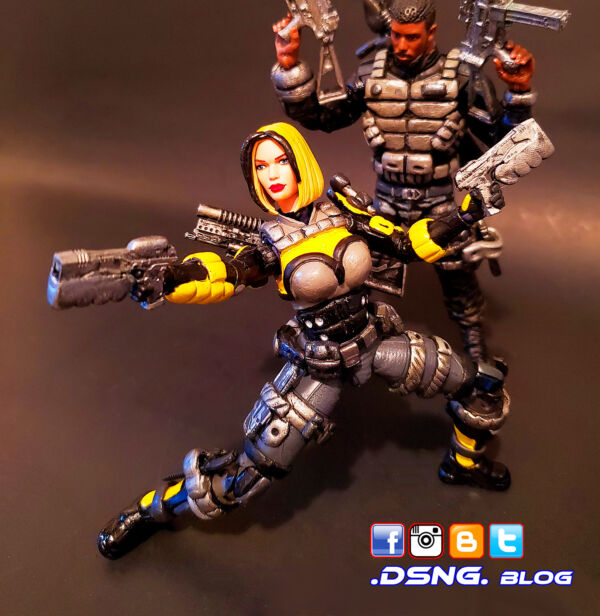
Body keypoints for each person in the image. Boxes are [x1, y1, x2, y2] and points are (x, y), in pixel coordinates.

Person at [96, 122, 510, 560]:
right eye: (261, 167)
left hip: (376, 343)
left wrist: (466, 213)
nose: (272, 174)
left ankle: (463, 463)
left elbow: (408, 244)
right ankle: (151, 510)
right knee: (244, 478)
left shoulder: (346, 214)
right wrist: (173, 278)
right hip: (320, 368)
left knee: (482, 384)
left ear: (301, 164)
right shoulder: (268, 244)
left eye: (281, 161)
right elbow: (226, 273)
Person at [270, 0, 535, 361]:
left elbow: (501, 139)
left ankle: (473, 338)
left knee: (457, 273)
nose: (401, 45)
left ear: (431, 32)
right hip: (386, 204)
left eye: (411, 36)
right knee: (362, 276)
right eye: (396, 34)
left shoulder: (462, 78)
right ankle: (356, 345)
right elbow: (321, 116)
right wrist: (288, 63)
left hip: (439, 201)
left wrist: (519, 90)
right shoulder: (370, 76)